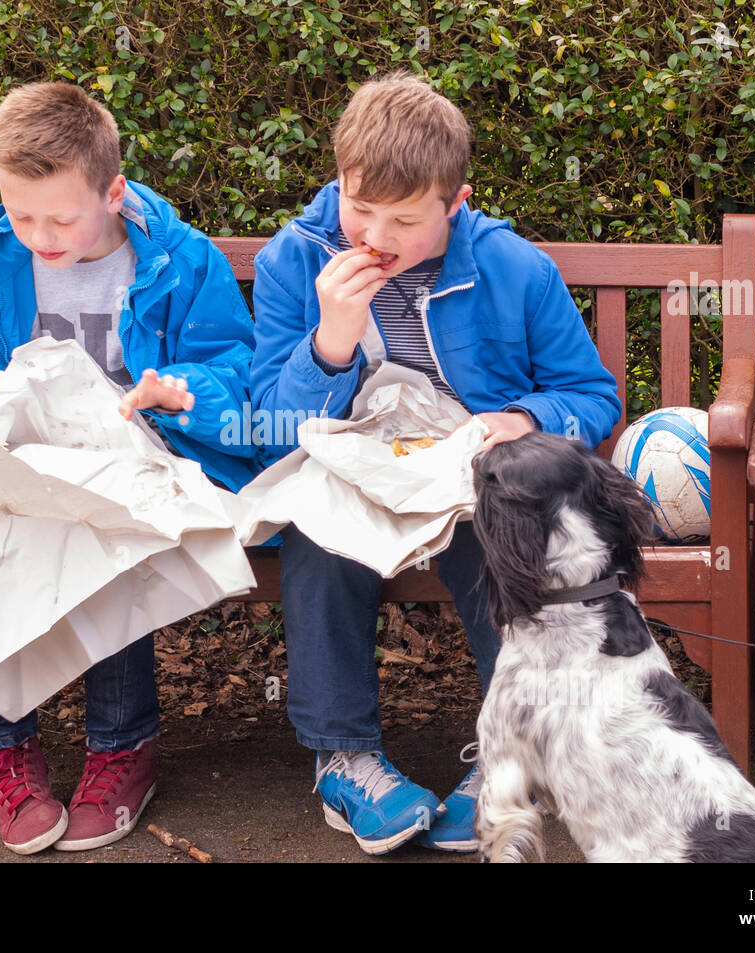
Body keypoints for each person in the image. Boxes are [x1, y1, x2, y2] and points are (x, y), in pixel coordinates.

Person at [250, 72, 622, 854]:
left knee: (501, 546)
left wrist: (524, 418)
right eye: (359, 207)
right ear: (338, 178)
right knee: (317, 535)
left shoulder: (514, 267)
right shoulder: (295, 260)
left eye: (404, 219)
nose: (373, 236)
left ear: (456, 202)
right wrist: (331, 341)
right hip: (353, 470)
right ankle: (344, 757)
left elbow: (589, 393)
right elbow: (272, 430)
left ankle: (508, 754)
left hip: (471, 477)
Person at [0, 81, 258, 854]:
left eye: (62, 217)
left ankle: (121, 747)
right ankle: (0, 744)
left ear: (114, 191)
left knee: (106, 540)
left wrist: (183, 392)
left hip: (135, 469)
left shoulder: (180, 261)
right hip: (19, 473)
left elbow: (233, 371)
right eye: (20, 213)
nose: (40, 234)